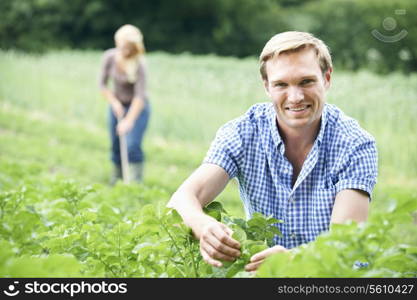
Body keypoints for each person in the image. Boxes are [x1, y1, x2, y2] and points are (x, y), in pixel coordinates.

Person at [168, 31, 378, 272]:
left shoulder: (355, 143)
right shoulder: (243, 132)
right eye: (281, 84)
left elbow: (344, 244)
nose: (296, 97)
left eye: (306, 81)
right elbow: (181, 200)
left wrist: (294, 260)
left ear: (327, 78)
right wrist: (201, 224)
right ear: (267, 86)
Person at [99, 24, 150, 184]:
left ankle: (134, 184)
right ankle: (116, 181)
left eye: (129, 48)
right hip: (117, 106)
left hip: (137, 108)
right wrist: (114, 103)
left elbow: (140, 96)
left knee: (132, 146)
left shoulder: (140, 64)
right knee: (115, 145)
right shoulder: (109, 57)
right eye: (122, 47)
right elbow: (102, 85)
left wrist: (129, 120)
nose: (125, 52)